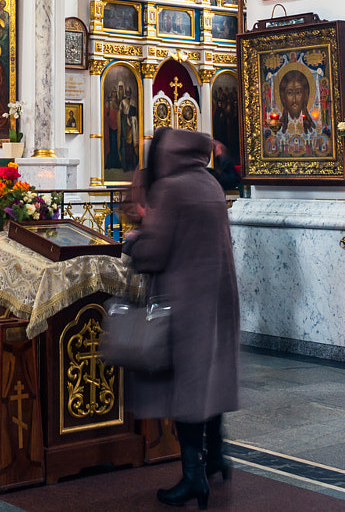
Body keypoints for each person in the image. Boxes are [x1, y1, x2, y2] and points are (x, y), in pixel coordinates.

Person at [125, 128, 240, 509]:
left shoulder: (172, 189)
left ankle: (193, 476)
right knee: (211, 379)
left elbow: (155, 252)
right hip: (218, 300)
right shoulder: (209, 183)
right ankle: (216, 458)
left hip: (185, 303)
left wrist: (133, 241)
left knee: (187, 389)